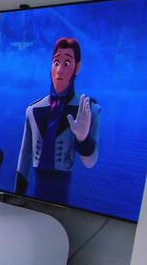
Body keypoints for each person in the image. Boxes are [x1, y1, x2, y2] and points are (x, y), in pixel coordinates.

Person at [15, 37, 99, 202]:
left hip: (63, 193)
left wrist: (82, 139)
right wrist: (16, 199)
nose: (60, 70)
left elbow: (91, 162)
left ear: (77, 67)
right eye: (56, 62)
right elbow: (25, 155)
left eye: (67, 63)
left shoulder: (88, 110)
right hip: (35, 191)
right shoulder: (33, 110)